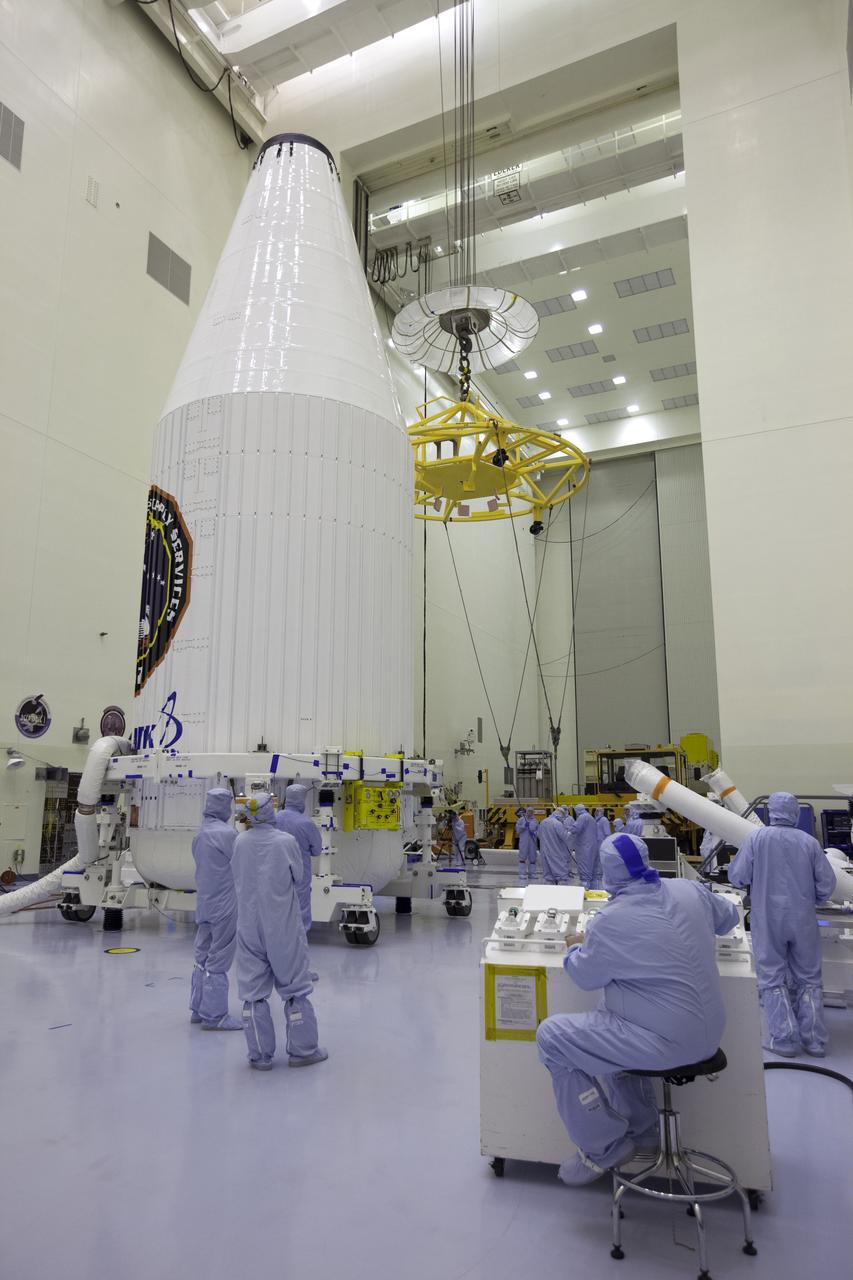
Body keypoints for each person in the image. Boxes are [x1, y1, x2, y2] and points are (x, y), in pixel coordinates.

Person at [537, 833, 738, 1185]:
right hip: (711, 1031)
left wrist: (574, 948)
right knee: (611, 1016)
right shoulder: (689, 890)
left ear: (606, 871)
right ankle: (644, 1134)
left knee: (552, 1038)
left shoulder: (610, 920)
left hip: (666, 1043)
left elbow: (584, 975)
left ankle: (603, 1147)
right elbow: (728, 918)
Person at [728, 791, 836, 1058]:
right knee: (809, 977)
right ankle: (814, 1041)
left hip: (768, 919)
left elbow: (738, 876)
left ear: (771, 811)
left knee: (772, 976)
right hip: (803, 919)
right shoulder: (809, 842)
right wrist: (815, 897)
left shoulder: (756, 838)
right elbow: (827, 884)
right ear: (795, 812)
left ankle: (785, 1040)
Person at [232, 792, 327, 1071]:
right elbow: (298, 875)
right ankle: (303, 1050)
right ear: (270, 811)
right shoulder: (286, 842)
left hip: (249, 924)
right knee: (295, 987)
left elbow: (236, 873)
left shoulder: (240, 842)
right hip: (281, 924)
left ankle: (259, 1056)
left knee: (253, 991)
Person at [190, 788, 242, 1030]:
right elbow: (242, 864)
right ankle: (215, 1016)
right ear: (224, 806)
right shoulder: (227, 834)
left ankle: (197, 1009)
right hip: (224, 905)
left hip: (205, 902)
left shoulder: (200, 835)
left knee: (201, 956)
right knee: (219, 957)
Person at [275, 783, 322, 980]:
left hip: (275, 877)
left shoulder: (274, 819)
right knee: (299, 924)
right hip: (298, 879)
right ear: (302, 801)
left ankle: (276, 967)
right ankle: (299, 971)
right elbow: (316, 850)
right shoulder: (306, 824)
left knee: (277, 921)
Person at [539, 808, 574, 884]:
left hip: (544, 851)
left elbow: (539, 835)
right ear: (560, 814)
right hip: (556, 851)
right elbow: (565, 837)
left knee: (548, 877)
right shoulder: (557, 824)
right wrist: (571, 832)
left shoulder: (543, 822)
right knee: (560, 874)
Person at [573, 803, 599, 890]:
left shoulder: (582, 817)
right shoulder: (590, 817)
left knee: (584, 866)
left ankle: (585, 889)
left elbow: (576, 829)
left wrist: (567, 828)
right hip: (592, 846)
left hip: (584, 846)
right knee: (592, 867)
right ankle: (593, 889)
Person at [515, 808, 539, 883]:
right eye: (529, 811)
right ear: (526, 812)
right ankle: (522, 873)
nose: (530, 813)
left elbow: (538, 831)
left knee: (533, 857)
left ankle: (532, 873)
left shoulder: (535, 821)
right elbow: (517, 830)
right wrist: (523, 826)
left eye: (532, 812)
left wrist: (534, 833)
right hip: (524, 841)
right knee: (523, 856)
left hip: (532, 841)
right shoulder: (521, 820)